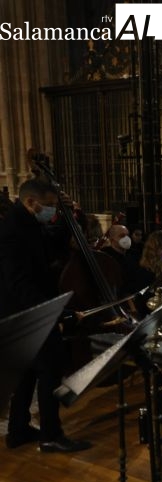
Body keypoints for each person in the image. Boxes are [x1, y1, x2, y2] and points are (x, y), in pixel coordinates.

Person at [0, 179, 91, 453]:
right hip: (26, 312)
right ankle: (51, 435)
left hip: (28, 311)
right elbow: (19, 283)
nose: (51, 211)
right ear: (31, 202)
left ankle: (17, 430)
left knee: (28, 372)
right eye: (49, 206)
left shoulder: (27, 224)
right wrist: (52, 312)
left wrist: (68, 215)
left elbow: (53, 244)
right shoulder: (12, 232)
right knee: (51, 368)